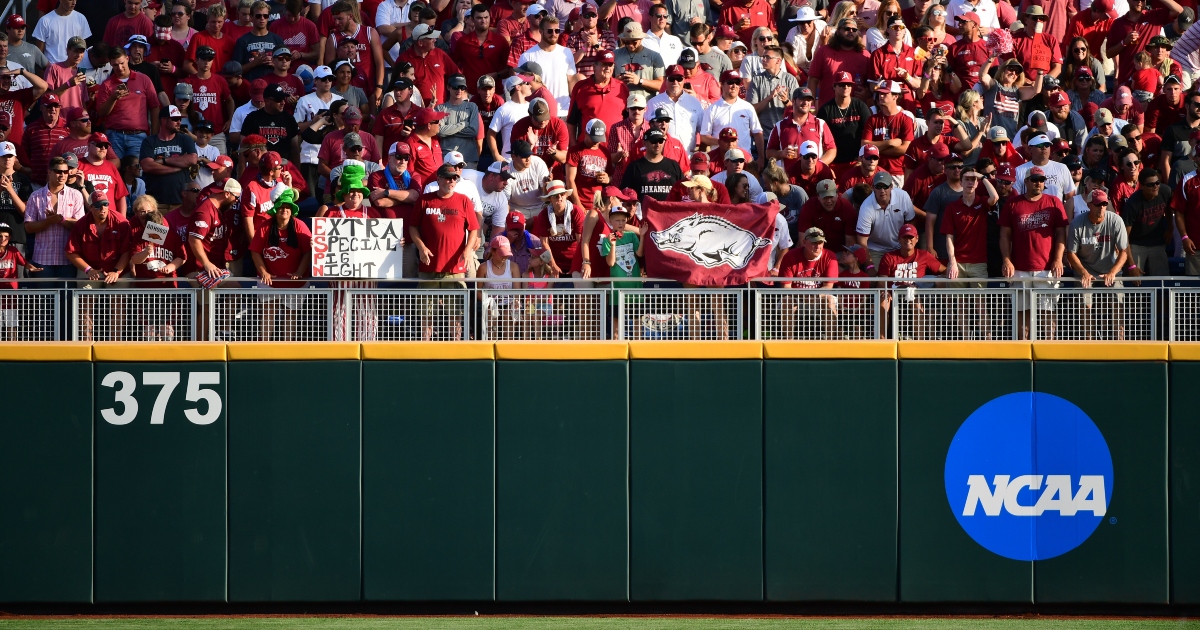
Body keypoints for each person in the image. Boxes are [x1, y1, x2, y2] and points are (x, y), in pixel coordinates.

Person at [1000, 166, 1069, 339]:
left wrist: (1058, 259)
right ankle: (1022, 353)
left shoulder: (1054, 202)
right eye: (1035, 179)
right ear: (1026, 181)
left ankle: (1049, 352)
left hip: (1046, 267)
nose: (1038, 183)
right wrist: (1007, 261)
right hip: (1020, 267)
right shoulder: (1013, 203)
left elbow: (1061, 233)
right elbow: (1004, 235)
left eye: (1041, 180)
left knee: (1048, 314)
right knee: (1022, 315)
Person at [1066, 188, 1132, 339]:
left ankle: (1119, 340)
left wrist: (1113, 272)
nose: (1101, 207)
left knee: (1118, 302)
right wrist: (1083, 272)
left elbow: (1124, 251)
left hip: (1110, 269)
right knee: (1085, 303)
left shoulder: (1116, 220)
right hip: (1086, 270)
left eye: (1104, 203)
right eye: (1097, 204)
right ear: (1089, 205)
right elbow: (1071, 253)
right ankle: (1089, 341)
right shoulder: (1077, 223)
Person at [23, 157, 85, 280]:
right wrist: (48, 221)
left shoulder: (76, 195)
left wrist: (61, 220)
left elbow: (80, 226)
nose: (62, 175)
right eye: (58, 171)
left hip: (68, 259)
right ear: (49, 172)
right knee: (44, 299)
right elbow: (28, 227)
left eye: (65, 171)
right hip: (42, 259)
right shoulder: (35, 196)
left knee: (67, 299)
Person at [942, 166, 999, 286]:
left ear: (977, 183)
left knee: (979, 303)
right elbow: (949, 237)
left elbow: (994, 197)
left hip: (979, 262)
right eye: (967, 179)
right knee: (958, 303)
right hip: (957, 262)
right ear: (961, 182)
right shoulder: (952, 207)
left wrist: (982, 177)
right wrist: (952, 262)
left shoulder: (982, 202)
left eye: (973, 179)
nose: (970, 182)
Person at [1107, 0, 1184, 85]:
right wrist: (1124, 42)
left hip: (1149, 80)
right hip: (1126, 77)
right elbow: (1109, 53)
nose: (1140, 2)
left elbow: (1179, 11)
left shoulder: (1153, 16)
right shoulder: (1118, 23)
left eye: (1143, 0)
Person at [855, 170, 921, 267]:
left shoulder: (903, 196)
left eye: (885, 186)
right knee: (877, 280)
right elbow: (862, 241)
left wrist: (906, 246)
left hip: (900, 246)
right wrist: (870, 266)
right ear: (873, 188)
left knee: (906, 277)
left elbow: (911, 223)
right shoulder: (866, 207)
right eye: (878, 187)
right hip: (875, 249)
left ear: (891, 187)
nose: (882, 191)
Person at [140, 105, 199, 212]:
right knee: (153, 229)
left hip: (181, 204)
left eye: (180, 119)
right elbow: (147, 166)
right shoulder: (149, 141)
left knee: (181, 229)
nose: (179, 122)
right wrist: (177, 168)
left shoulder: (185, 139)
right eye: (175, 119)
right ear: (164, 120)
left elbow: (192, 159)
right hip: (156, 205)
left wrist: (164, 160)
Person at [699, 70, 763, 166]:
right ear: (721, 84)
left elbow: (757, 132)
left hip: (744, 160)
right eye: (730, 82)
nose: (734, 86)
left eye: (737, 82)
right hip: (720, 161)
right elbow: (704, 136)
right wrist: (723, 143)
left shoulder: (748, 107)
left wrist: (761, 157)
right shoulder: (712, 109)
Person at [1121, 167, 1172, 276]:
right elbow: (1124, 237)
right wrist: (1131, 265)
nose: (1155, 186)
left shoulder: (1165, 191)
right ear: (1142, 186)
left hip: (1158, 241)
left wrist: (1170, 228)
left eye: (1157, 183)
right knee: (1135, 280)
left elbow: (1169, 209)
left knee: (1161, 280)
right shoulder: (1132, 204)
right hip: (1137, 243)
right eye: (1151, 185)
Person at [862, 80, 913, 186]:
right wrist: (890, 143)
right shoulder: (872, 119)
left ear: (895, 96)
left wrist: (875, 150)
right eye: (880, 93)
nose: (880, 96)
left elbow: (905, 149)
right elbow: (864, 146)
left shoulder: (906, 119)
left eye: (885, 93)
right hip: (875, 171)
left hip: (897, 172)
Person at [80, 134, 130, 219]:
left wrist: (122, 219)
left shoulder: (111, 167)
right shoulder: (79, 165)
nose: (103, 148)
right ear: (89, 145)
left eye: (106, 146)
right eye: (99, 145)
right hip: (87, 219)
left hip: (111, 220)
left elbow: (120, 196)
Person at [31, 0, 92, 64]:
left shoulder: (81, 18)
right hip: (52, 68)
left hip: (75, 69)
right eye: (70, 0)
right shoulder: (45, 20)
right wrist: (45, 71)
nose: (74, 3)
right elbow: (39, 52)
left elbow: (83, 47)